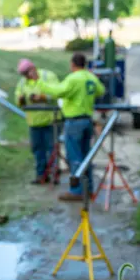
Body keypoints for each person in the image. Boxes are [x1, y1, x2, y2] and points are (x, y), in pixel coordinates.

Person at [36, 53, 105, 202]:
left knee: (75, 157)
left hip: (74, 122)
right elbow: (101, 91)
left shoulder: (74, 78)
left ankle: (77, 190)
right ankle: (89, 188)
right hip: (87, 120)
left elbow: (58, 92)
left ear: (73, 64)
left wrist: (40, 83)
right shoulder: (90, 77)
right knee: (86, 157)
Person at [15, 58, 60, 184]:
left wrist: (43, 97)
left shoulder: (48, 76)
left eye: (27, 73)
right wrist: (21, 100)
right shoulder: (22, 82)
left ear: (33, 69)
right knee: (37, 149)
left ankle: (53, 173)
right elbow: (17, 98)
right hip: (34, 122)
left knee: (52, 148)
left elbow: (57, 93)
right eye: (23, 75)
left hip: (51, 120)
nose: (26, 77)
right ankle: (41, 175)